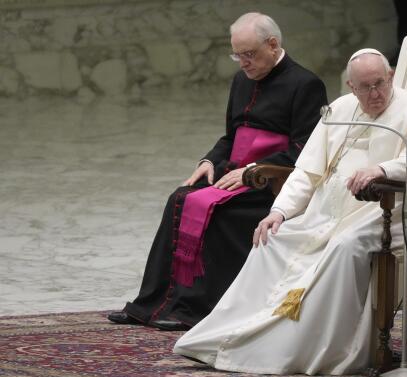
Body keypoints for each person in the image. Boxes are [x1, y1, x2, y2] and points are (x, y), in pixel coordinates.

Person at [173, 49, 407, 374]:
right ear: (350, 86)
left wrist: (383, 170)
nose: (375, 94)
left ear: (390, 77)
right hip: (327, 213)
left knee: (344, 247)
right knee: (273, 237)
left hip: (391, 212)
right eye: (365, 87)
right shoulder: (340, 110)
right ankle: (232, 334)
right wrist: (280, 211)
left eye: (380, 84)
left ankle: (315, 348)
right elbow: (307, 170)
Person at [107, 12, 328, 331]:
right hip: (231, 173)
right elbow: (231, 136)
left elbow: (306, 149)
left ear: (273, 44)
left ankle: (194, 309)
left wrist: (254, 170)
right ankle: (150, 304)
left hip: (270, 183)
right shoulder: (242, 80)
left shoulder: (305, 83)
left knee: (214, 212)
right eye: (237, 54)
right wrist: (208, 161)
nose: (242, 63)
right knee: (179, 199)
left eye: (249, 54)